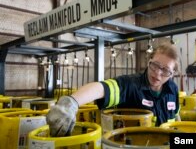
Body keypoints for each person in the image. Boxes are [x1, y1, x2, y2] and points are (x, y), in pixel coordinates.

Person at [46, 43, 181, 137]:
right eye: (155, 65)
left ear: (173, 73)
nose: (157, 73)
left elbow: (176, 117)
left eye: (165, 70)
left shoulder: (172, 89)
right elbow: (101, 88)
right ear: (149, 61)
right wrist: (72, 102)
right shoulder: (131, 85)